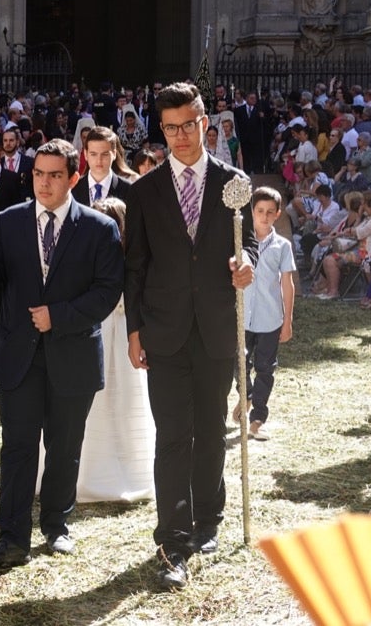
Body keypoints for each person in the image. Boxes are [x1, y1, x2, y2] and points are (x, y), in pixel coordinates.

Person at [0, 138, 123, 566]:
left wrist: (61, 315)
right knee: (17, 445)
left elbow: (108, 291)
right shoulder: (10, 221)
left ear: (74, 177)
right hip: (19, 354)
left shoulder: (98, 228)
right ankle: (12, 537)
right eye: (38, 174)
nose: (45, 183)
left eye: (55, 175)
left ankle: (56, 524)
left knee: (64, 444)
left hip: (72, 353)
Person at [124, 82, 256, 590]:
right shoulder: (144, 191)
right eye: (170, 127)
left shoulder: (234, 183)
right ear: (162, 129)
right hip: (164, 329)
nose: (180, 135)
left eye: (188, 124)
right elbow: (134, 266)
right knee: (173, 435)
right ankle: (172, 539)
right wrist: (135, 330)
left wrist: (247, 262)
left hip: (217, 327)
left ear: (205, 122)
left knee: (211, 430)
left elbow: (251, 248)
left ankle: (208, 522)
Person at [75, 197, 155, 503]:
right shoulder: (83, 257)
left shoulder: (132, 261)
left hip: (125, 335)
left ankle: (130, 470)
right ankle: (88, 472)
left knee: (126, 399)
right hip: (91, 334)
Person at [237, 187, 295, 442]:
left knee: (265, 368)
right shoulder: (238, 242)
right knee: (237, 363)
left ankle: (258, 417)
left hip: (270, 318)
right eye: (260, 211)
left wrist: (287, 320)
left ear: (277, 214)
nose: (264, 216)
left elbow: (286, 283)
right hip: (240, 317)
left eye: (270, 212)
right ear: (252, 211)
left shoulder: (282, 246)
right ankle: (246, 395)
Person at [71, 127, 133, 205]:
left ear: (114, 154)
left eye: (105, 154)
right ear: (85, 154)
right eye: (93, 154)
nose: (99, 160)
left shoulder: (129, 190)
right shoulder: (73, 189)